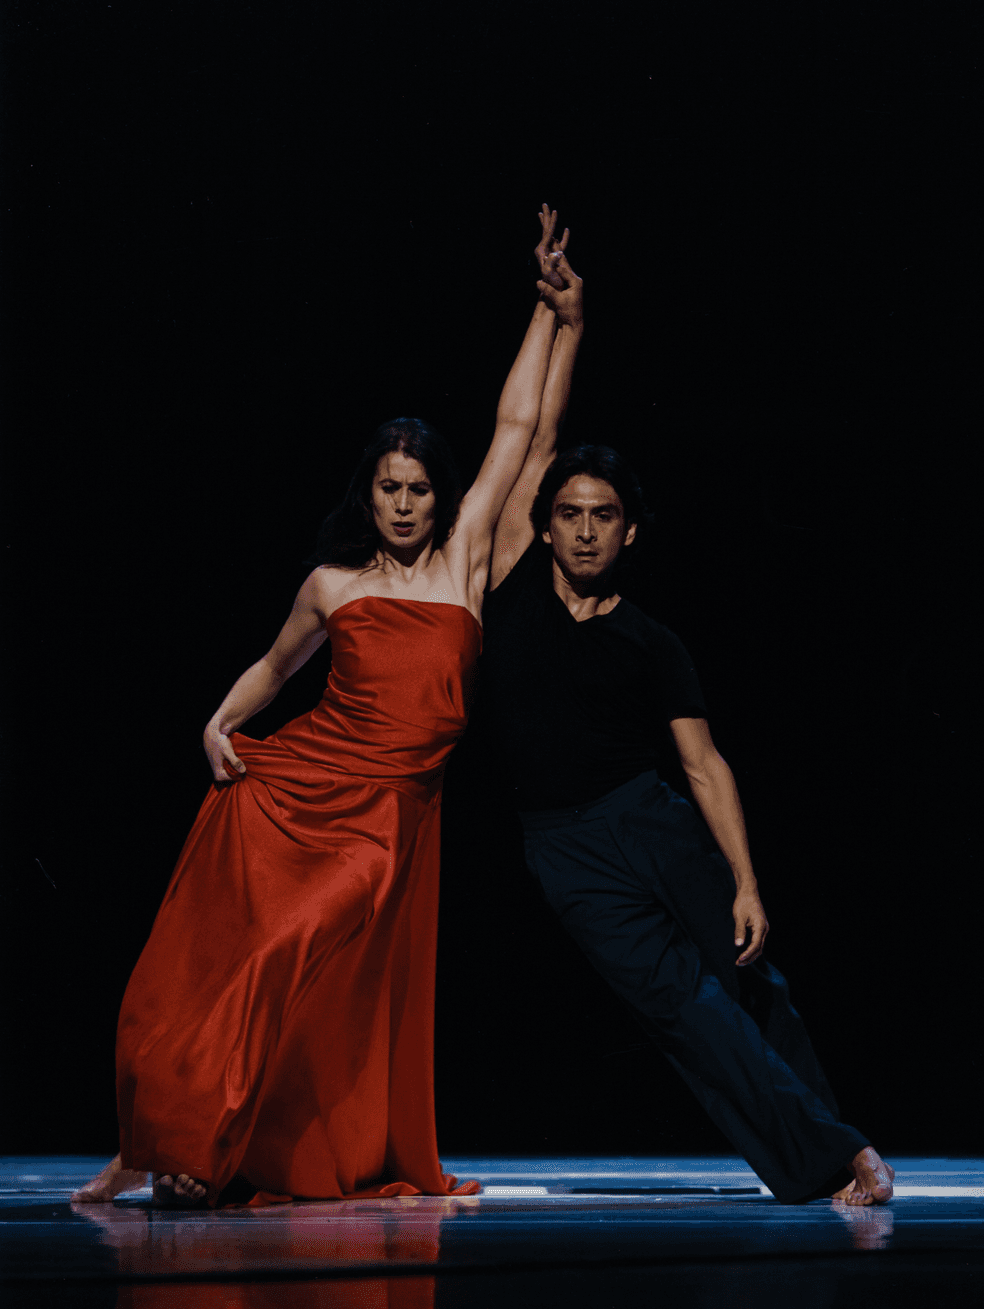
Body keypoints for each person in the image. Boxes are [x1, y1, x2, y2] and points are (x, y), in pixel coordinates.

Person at [73, 205, 585, 1208]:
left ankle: (192, 1145)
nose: (404, 505)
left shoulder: (462, 569)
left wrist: (557, 312)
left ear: (440, 501)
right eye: (389, 490)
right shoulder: (333, 587)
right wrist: (217, 726)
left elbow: (525, 430)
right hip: (303, 788)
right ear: (370, 495)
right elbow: (272, 670)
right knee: (251, 958)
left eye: (420, 491)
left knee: (295, 957)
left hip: (390, 818)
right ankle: (169, 1146)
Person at [479, 285, 894, 1207]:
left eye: (604, 515)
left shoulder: (652, 641)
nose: (585, 528)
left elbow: (704, 764)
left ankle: (843, 1149)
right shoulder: (508, 585)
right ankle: (835, 1159)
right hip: (565, 846)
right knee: (685, 1009)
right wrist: (565, 323)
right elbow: (534, 438)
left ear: (628, 531)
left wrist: (746, 879)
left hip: (651, 818)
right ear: (545, 523)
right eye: (571, 513)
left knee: (754, 987)